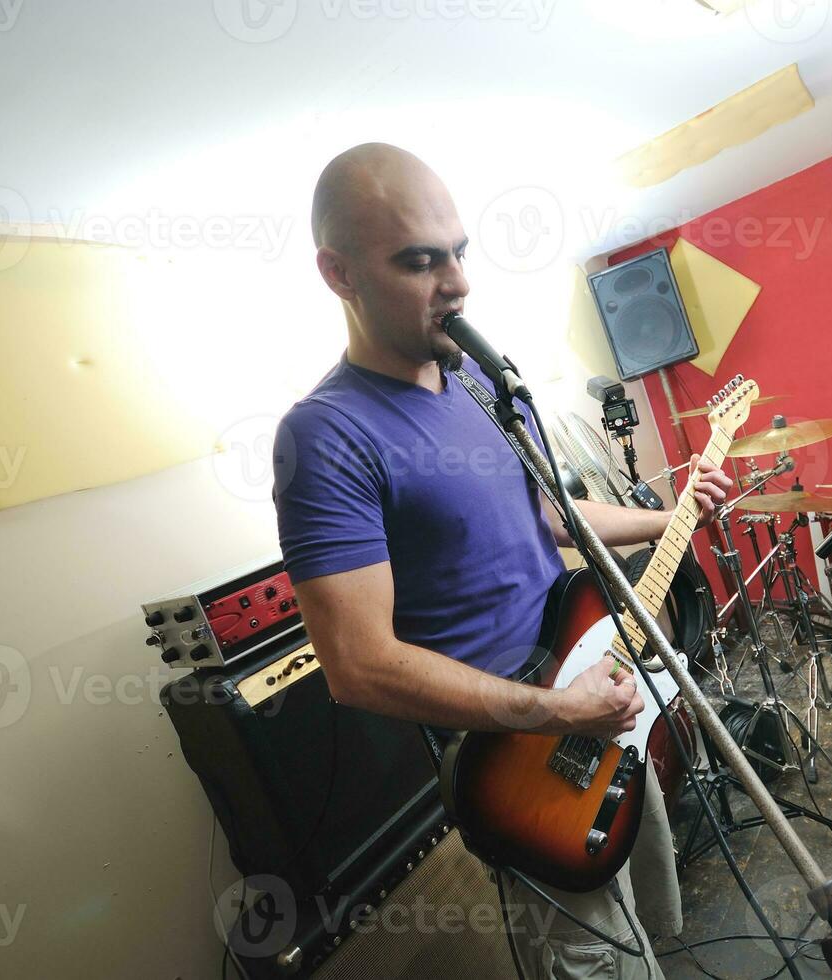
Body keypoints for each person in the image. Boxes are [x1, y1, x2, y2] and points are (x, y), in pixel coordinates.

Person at [271, 142, 733, 978]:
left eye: (458, 253)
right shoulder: (325, 435)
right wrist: (556, 713)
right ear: (338, 274)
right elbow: (357, 665)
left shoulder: (481, 387)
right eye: (418, 261)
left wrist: (670, 515)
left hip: (594, 693)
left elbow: (548, 516)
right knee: (588, 956)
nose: (457, 283)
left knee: (639, 926)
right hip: (521, 755)